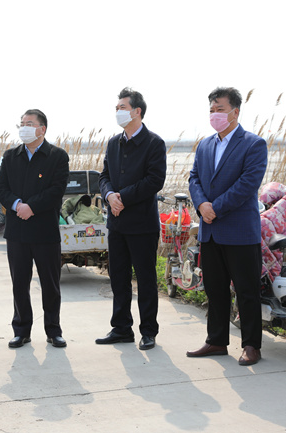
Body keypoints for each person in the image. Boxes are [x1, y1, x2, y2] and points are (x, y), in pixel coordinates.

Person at [186, 87, 268, 366]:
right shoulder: (205, 145)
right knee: (215, 289)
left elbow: (248, 184)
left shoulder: (253, 144)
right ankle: (217, 341)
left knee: (246, 291)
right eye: (211, 110)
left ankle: (251, 346)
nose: (214, 114)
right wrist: (201, 205)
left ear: (235, 112)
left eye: (219, 109)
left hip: (239, 231)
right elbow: (194, 178)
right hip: (210, 231)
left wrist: (215, 208)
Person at [96, 88, 166, 351]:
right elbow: (104, 175)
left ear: (137, 111)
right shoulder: (114, 142)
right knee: (118, 277)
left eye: (122, 107)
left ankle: (148, 331)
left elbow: (154, 180)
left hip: (142, 224)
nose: (118, 112)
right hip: (116, 223)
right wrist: (109, 195)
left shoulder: (154, 143)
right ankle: (121, 328)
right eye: (116, 108)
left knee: (145, 279)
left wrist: (122, 197)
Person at [0, 109, 69, 349]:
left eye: (29, 123)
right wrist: (17, 205)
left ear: (42, 129)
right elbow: (1, 188)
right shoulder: (11, 156)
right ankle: (21, 330)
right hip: (17, 231)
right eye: (22, 123)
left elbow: (56, 190)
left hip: (45, 231)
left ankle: (53, 330)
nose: (24, 127)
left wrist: (32, 207)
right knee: (19, 283)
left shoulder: (57, 156)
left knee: (50, 284)